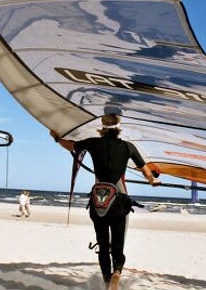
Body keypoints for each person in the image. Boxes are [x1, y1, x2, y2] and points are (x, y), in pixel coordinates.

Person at [50, 114, 160, 290]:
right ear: (119, 128)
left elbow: (70, 145)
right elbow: (146, 171)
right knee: (117, 243)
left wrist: (56, 138)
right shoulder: (128, 146)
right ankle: (117, 273)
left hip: (99, 201)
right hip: (118, 201)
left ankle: (107, 281)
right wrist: (153, 181)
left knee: (102, 244)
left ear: (101, 127)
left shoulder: (92, 142)